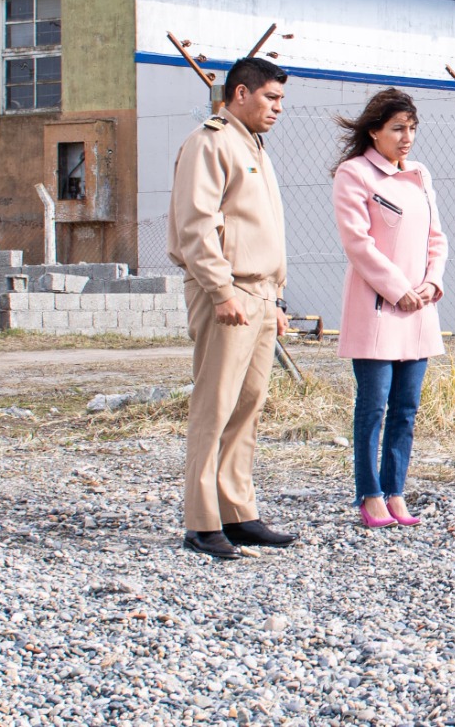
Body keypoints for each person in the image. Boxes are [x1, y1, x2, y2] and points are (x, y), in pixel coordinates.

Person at [168, 56, 296, 560]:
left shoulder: (254, 146)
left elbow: (265, 230)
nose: (278, 108)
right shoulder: (211, 141)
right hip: (229, 291)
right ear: (240, 94)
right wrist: (220, 291)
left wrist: (277, 298)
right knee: (214, 407)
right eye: (271, 97)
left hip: (261, 294)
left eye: (281, 100)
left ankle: (238, 512)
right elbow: (195, 225)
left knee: (247, 406)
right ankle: (201, 521)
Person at [331, 88, 449, 528]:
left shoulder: (420, 174)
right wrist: (398, 288)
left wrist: (431, 282)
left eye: (412, 128)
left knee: (406, 407)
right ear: (374, 130)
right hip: (378, 308)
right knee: (374, 405)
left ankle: (397, 490)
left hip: (420, 308)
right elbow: (358, 244)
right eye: (398, 128)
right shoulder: (354, 174)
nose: (407, 137)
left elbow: (437, 237)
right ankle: (370, 494)